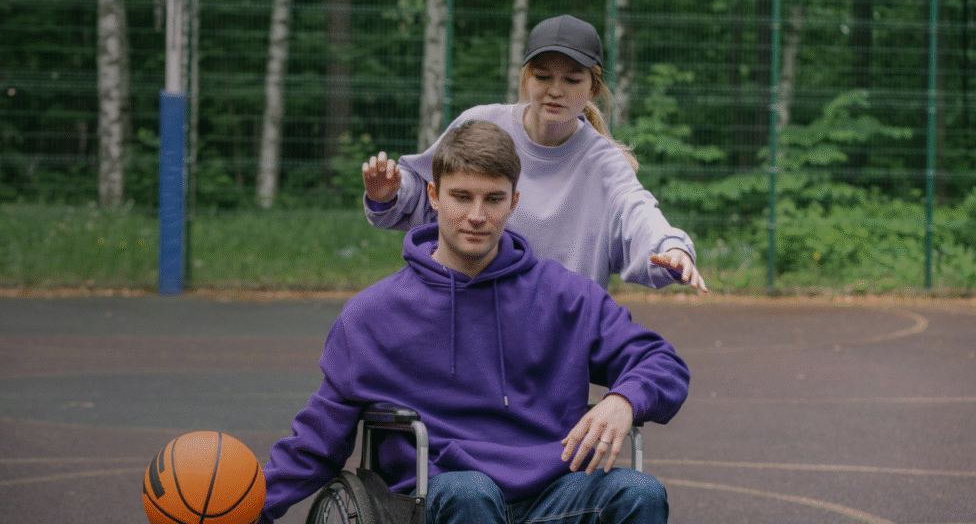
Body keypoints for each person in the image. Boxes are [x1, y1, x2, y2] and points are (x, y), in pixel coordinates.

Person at [260, 120, 690, 524]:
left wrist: (625, 400)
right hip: (439, 497)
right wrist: (246, 509)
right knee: (470, 492)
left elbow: (662, 363)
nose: (477, 216)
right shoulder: (373, 316)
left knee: (639, 491)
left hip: (556, 490)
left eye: (493, 199)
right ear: (433, 196)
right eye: (461, 197)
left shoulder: (565, 295)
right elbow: (318, 442)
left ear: (514, 202)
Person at [362, 14, 708, 293]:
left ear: (593, 88)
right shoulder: (482, 123)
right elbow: (432, 194)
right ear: (526, 78)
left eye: (572, 80)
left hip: (557, 333)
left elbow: (638, 212)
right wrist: (392, 193)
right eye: (543, 76)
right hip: (474, 308)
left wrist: (672, 246)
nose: (555, 91)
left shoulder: (603, 163)